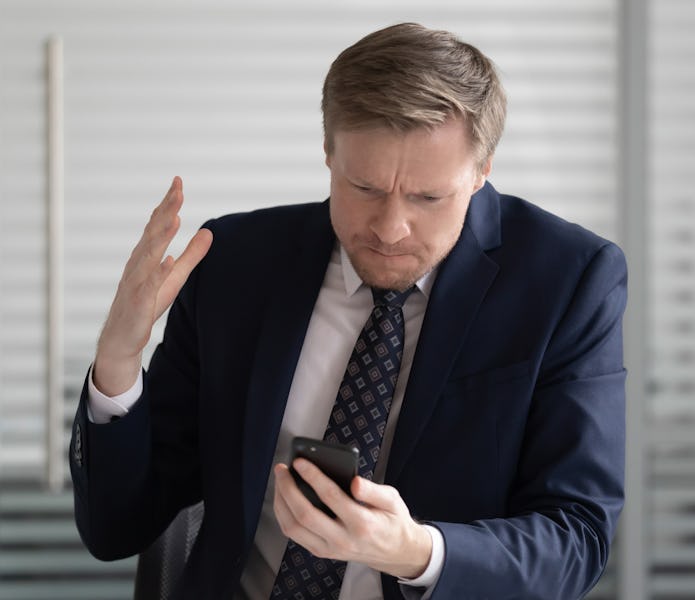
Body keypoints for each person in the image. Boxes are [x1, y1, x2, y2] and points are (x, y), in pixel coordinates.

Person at [69, 22, 627, 600]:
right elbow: (117, 528)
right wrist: (118, 362)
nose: (390, 228)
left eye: (427, 197)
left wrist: (414, 552)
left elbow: (577, 538)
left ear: (482, 170)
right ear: (328, 152)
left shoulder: (567, 282)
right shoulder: (235, 267)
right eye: (365, 187)